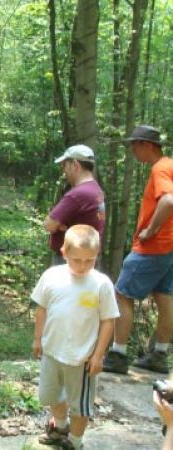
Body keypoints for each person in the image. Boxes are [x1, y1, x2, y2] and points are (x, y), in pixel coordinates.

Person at [31, 224, 119, 450]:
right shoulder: (52, 276)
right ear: (64, 253)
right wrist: (38, 339)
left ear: (97, 254)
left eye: (89, 260)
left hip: (82, 358)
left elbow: (108, 321)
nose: (82, 266)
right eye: (76, 260)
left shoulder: (101, 284)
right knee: (51, 395)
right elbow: (41, 309)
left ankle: (75, 441)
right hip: (52, 351)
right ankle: (60, 427)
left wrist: (98, 355)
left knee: (81, 405)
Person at [104, 125, 173, 375]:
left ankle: (118, 355)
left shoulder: (160, 168)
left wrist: (150, 230)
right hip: (169, 248)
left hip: (153, 247)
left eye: (135, 144)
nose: (132, 149)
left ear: (147, 145)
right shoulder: (170, 165)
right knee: (165, 297)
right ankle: (159, 355)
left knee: (122, 294)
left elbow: (168, 200)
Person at [43, 145, 106, 266]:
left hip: (71, 260)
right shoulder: (95, 189)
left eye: (64, 165)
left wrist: (62, 225)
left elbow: (49, 225)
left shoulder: (78, 194)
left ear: (75, 164)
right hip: (87, 256)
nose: (63, 170)